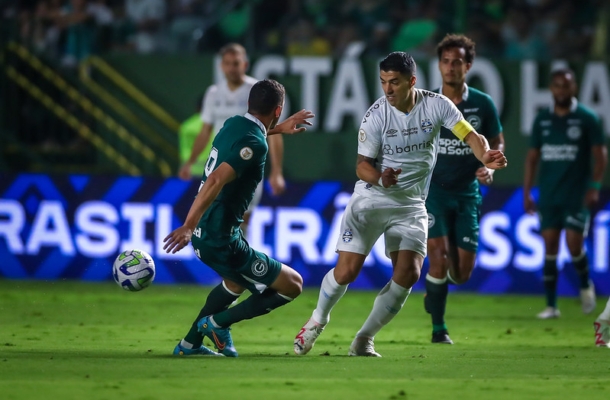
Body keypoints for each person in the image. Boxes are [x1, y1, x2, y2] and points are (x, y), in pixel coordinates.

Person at [293, 52, 508, 357]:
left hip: (411, 205)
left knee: (408, 273)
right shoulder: (376, 115)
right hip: (373, 198)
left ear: (412, 81)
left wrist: (484, 155)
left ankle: (364, 338)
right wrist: (381, 177)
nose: (388, 89)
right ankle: (317, 320)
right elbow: (362, 166)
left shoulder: (437, 105)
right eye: (383, 82)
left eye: (395, 82)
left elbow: (471, 136)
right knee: (347, 272)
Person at [164, 79, 314, 357]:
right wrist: (188, 224)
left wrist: (279, 128)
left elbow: (249, 140)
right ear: (278, 109)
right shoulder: (256, 145)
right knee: (293, 285)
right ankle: (216, 324)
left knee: (234, 282)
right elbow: (217, 179)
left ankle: (189, 345)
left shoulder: (233, 123)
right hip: (220, 237)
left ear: (249, 103)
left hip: (207, 234)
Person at [424, 34, 505, 345]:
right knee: (439, 257)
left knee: (461, 274)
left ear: (468, 66)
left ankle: (435, 294)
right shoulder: (428, 102)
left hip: (467, 192)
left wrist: (489, 164)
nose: (450, 68)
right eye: (445, 62)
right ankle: (439, 329)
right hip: (434, 192)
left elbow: (496, 141)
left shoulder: (482, 103)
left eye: (456, 62)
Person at [523, 68, 607, 319]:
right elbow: (532, 158)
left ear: (575, 88)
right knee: (549, 246)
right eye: (557, 85)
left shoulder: (587, 118)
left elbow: (600, 156)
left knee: (573, 245)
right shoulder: (542, 120)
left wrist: (594, 186)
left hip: (576, 194)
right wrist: (527, 192)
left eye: (566, 86)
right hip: (549, 194)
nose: (561, 90)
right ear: (551, 89)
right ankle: (551, 306)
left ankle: (584, 284)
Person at [179, 43, 286, 235]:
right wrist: (190, 162)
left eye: (235, 63)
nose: (231, 68)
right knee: (216, 215)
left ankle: (239, 255)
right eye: (227, 63)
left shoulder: (258, 91)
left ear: (244, 64)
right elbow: (205, 131)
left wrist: (276, 171)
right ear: (221, 66)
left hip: (247, 162)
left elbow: (274, 132)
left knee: (242, 218)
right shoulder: (213, 94)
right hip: (221, 161)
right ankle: (231, 256)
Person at [178, 94, 207, 178]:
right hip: (213, 170)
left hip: (190, 171)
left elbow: (184, 150)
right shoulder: (219, 125)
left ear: (197, 108)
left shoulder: (187, 126)